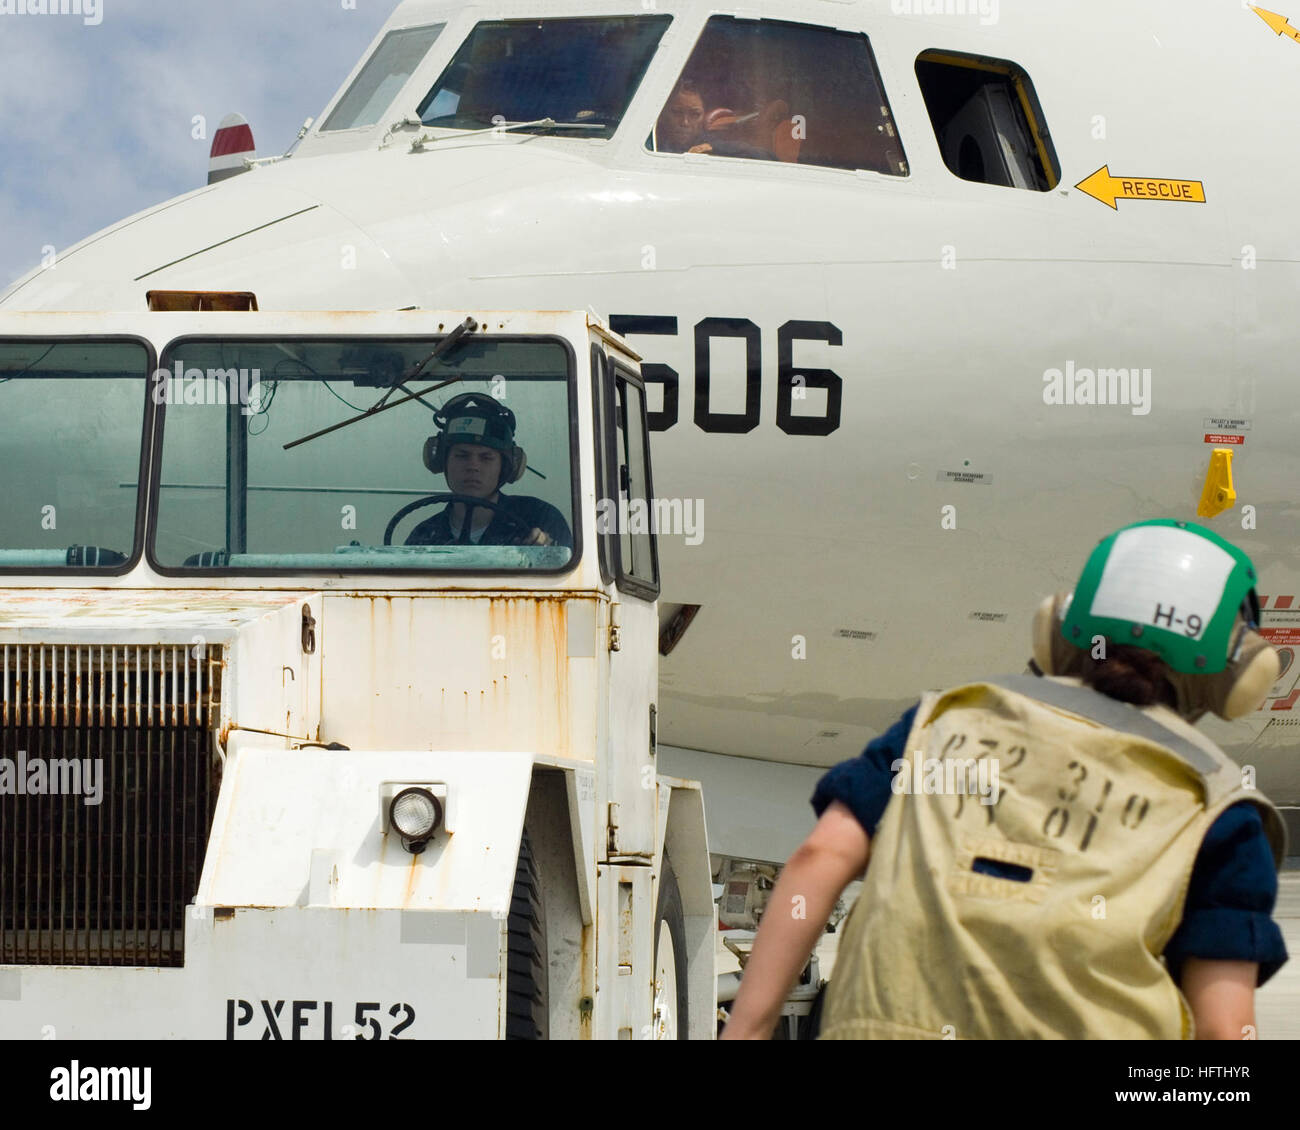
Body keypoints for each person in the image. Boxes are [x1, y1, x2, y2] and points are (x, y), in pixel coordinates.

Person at [721, 519, 1289, 1040]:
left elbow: (822, 855)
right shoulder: (1217, 810)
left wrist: (747, 1028)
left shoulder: (942, 725)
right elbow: (1223, 1032)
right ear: (1236, 672)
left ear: (1062, 623)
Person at [404, 393, 572, 548]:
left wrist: (547, 553)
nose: (473, 467)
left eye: (486, 458)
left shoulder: (540, 519)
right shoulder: (423, 537)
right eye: (462, 456)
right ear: (442, 461)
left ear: (506, 467)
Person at [654, 78, 774, 160]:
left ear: (704, 115)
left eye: (695, 114)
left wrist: (713, 149)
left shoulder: (709, 143)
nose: (685, 122)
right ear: (663, 114)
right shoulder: (652, 142)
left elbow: (767, 157)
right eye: (676, 113)